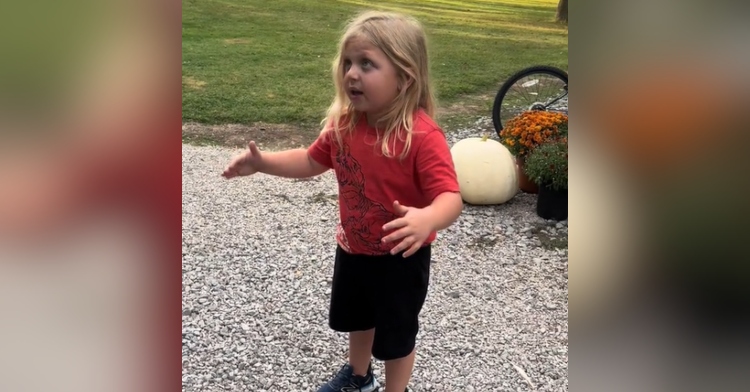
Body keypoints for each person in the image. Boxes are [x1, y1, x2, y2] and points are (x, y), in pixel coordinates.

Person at [221, 10, 463, 392]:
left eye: (367, 64)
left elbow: (450, 197)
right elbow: (309, 160)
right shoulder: (344, 125)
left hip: (401, 257)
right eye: (348, 62)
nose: (352, 73)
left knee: (397, 337)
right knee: (359, 318)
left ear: (404, 77)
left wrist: (427, 219)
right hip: (353, 248)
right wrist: (262, 162)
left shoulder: (421, 135)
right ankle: (359, 377)